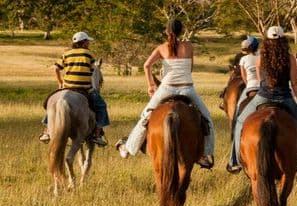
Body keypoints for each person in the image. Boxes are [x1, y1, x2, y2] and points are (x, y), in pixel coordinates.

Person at [115, 19, 215, 168]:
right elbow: (190, 68)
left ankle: (128, 149)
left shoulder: (161, 48)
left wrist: (150, 85)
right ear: (181, 31)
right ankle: (203, 154)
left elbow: (146, 65)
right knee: (207, 118)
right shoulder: (188, 46)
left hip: (166, 88)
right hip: (187, 88)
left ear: (167, 32)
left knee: (145, 116)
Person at [226, 26, 297, 175]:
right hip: (285, 98)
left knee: (239, 122)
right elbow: (295, 83)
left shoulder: (261, 58)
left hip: (263, 97)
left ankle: (234, 162)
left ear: (267, 41)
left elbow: (259, 78)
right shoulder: (290, 58)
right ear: (283, 40)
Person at [40, 31, 110, 146]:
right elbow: (92, 72)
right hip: (85, 89)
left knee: (52, 104)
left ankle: (47, 131)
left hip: (67, 88)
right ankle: (97, 134)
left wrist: (60, 82)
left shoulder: (66, 54)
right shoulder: (89, 54)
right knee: (101, 106)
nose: (89, 43)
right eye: (87, 41)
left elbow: (55, 69)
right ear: (83, 42)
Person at [235, 36, 260, 112]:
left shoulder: (243, 59)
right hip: (264, 87)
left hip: (251, 86)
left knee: (239, 107)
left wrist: (247, 84)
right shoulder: (262, 57)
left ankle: (236, 122)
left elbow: (244, 76)